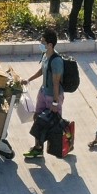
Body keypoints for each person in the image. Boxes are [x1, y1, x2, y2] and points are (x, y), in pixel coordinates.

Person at [21, 29, 63, 158]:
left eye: (43, 42)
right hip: (43, 92)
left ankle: (64, 143)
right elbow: (42, 70)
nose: (41, 44)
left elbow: (56, 83)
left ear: (50, 45)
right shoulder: (46, 55)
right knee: (38, 119)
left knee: (54, 124)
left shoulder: (56, 61)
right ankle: (38, 148)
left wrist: (55, 103)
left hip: (52, 96)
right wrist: (29, 79)